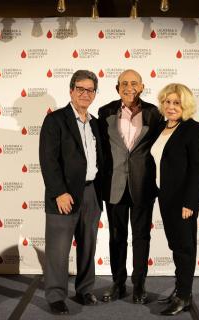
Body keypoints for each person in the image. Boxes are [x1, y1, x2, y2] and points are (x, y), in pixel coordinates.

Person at [39, 70, 103, 315]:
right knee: (58, 248)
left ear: (95, 94)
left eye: (90, 90)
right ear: (71, 91)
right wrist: (58, 192)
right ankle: (55, 295)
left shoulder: (95, 123)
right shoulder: (55, 120)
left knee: (88, 245)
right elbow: (48, 160)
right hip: (64, 195)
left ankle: (85, 290)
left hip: (91, 193)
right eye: (80, 89)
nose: (85, 94)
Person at [98, 69, 162, 304]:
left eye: (134, 83)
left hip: (142, 184)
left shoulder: (154, 113)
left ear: (142, 87)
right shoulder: (105, 111)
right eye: (124, 83)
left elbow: (161, 147)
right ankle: (117, 283)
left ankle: (139, 285)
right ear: (117, 88)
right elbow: (103, 150)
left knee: (141, 237)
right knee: (116, 237)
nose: (129, 87)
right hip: (114, 184)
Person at [150, 83, 199, 316]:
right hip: (165, 197)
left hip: (184, 200)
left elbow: (197, 169)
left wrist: (190, 203)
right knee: (175, 246)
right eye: (167, 102)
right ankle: (180, 290)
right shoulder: (161, 128)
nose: (171, 107)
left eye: (176, 102)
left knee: (185, 247)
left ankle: (183, 296)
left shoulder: (193, 129)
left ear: (185, 105)